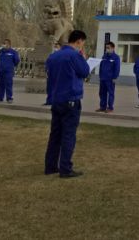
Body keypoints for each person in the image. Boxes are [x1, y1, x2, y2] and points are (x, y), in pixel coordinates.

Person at [44, 30, 90, 178]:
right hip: (70, 99)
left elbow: (48, 73)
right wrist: (83, 58)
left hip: (56, 99)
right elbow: (85, 71)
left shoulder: (54, 56)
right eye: (82, 43)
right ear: (79, 41)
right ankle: (65, 168)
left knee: (55, 135)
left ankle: (50, 166)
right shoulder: (74, 55)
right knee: (68, 135)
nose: (82, 46)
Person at [97, 42, 120, 113]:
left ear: (113, 48)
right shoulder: (104, 56)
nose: (107, 49)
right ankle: (102, 107)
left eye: (108, 48)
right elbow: (101, 66)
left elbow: (117, 68)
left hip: (110, 79)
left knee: (110, 93)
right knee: (102, 93)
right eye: (106, 48)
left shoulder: (116, 57)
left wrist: (115, 77)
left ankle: (110, 108)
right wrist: (100, 75)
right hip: (103, 78)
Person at [0, 39, 20, 103]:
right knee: (0, 85)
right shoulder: (1, 51)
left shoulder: (13, 52)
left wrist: (10, 66)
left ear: (9, 44)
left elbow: (17, 60)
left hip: (8, 71)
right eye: (3, 43)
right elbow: (0, 59)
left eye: (5, 43)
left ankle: (9, 98)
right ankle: (0, 98)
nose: (3, 45)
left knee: (8, 84)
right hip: (1, 70)